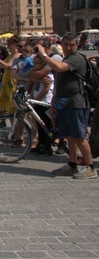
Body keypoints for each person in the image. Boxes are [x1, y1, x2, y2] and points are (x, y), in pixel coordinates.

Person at [37, 33, 96, 179]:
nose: (69, 48)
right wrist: (55, 98)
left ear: (76, 46)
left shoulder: (76, 58)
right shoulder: (68, 57)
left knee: (79, 135)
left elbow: (59, 67)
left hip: (76, 102)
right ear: (62, 45)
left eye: (72, 45)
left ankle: (90, 167)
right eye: (66, 45)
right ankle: (72, 164)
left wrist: (43, 55)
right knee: (69, 135)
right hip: (65, 102)